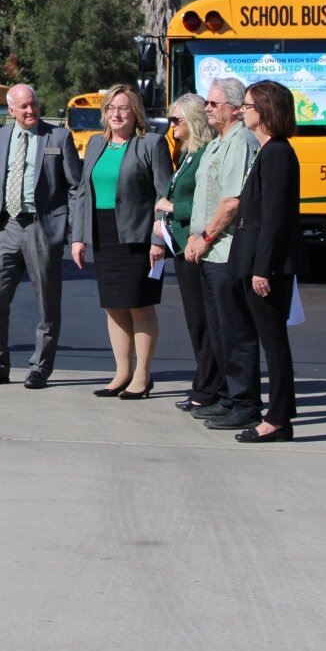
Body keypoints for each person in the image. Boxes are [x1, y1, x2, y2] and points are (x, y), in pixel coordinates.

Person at [0, 83, 83, 389]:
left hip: (42, 229)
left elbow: (75, 187)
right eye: (24, 107)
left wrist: (69, 231)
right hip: (5, 228)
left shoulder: (58, 137)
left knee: (47, 301)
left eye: (34, 104)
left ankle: (40, 367)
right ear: (11, 111)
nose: (31, 110)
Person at [69, 84, 171, 398]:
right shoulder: (96, 144)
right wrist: (78, 236)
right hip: (104, 234)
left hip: (139, 236)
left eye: (123, 108)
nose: (116, 114)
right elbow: (83, 192)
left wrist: (159, 239)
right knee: (113, 307)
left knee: (140, 305)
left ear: (135, 113)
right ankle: (122, 373)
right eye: (111, 108)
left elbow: (164, 194)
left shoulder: (151, 144)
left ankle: (142, 375)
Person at [182, 76, 261, 430]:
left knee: (236, 331)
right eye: (207, 103)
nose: (207, 108)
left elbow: (232, 203)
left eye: (213, 104)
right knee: (218, 331)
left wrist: (207, 236)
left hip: (225, 250)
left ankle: (245, 404)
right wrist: (193, 236)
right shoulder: (216, 143)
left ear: (234, 108)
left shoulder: (240, 142)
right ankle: (227, 397)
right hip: (207, 250)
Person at [227, 80, 302, 442]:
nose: (242, 111)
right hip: (253, 258)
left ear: (266, 110)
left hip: (265, 265)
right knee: (268, 340)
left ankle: (278, 418)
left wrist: (262, 268)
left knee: (274, 343)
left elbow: (274, 218)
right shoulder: (267, 151)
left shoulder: (277, 154)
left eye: (247, 105)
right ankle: (279, 415)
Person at [151, 94, 222, 412]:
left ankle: (210, 387)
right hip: (181, 245)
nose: (171, 126)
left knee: (205, 321)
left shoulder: (206, 153)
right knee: (196, 321)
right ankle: (205, 383)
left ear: (193, 120)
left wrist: (171, 207)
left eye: (176, 120)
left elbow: (209, 203)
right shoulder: (188, 154)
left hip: (198, 246)